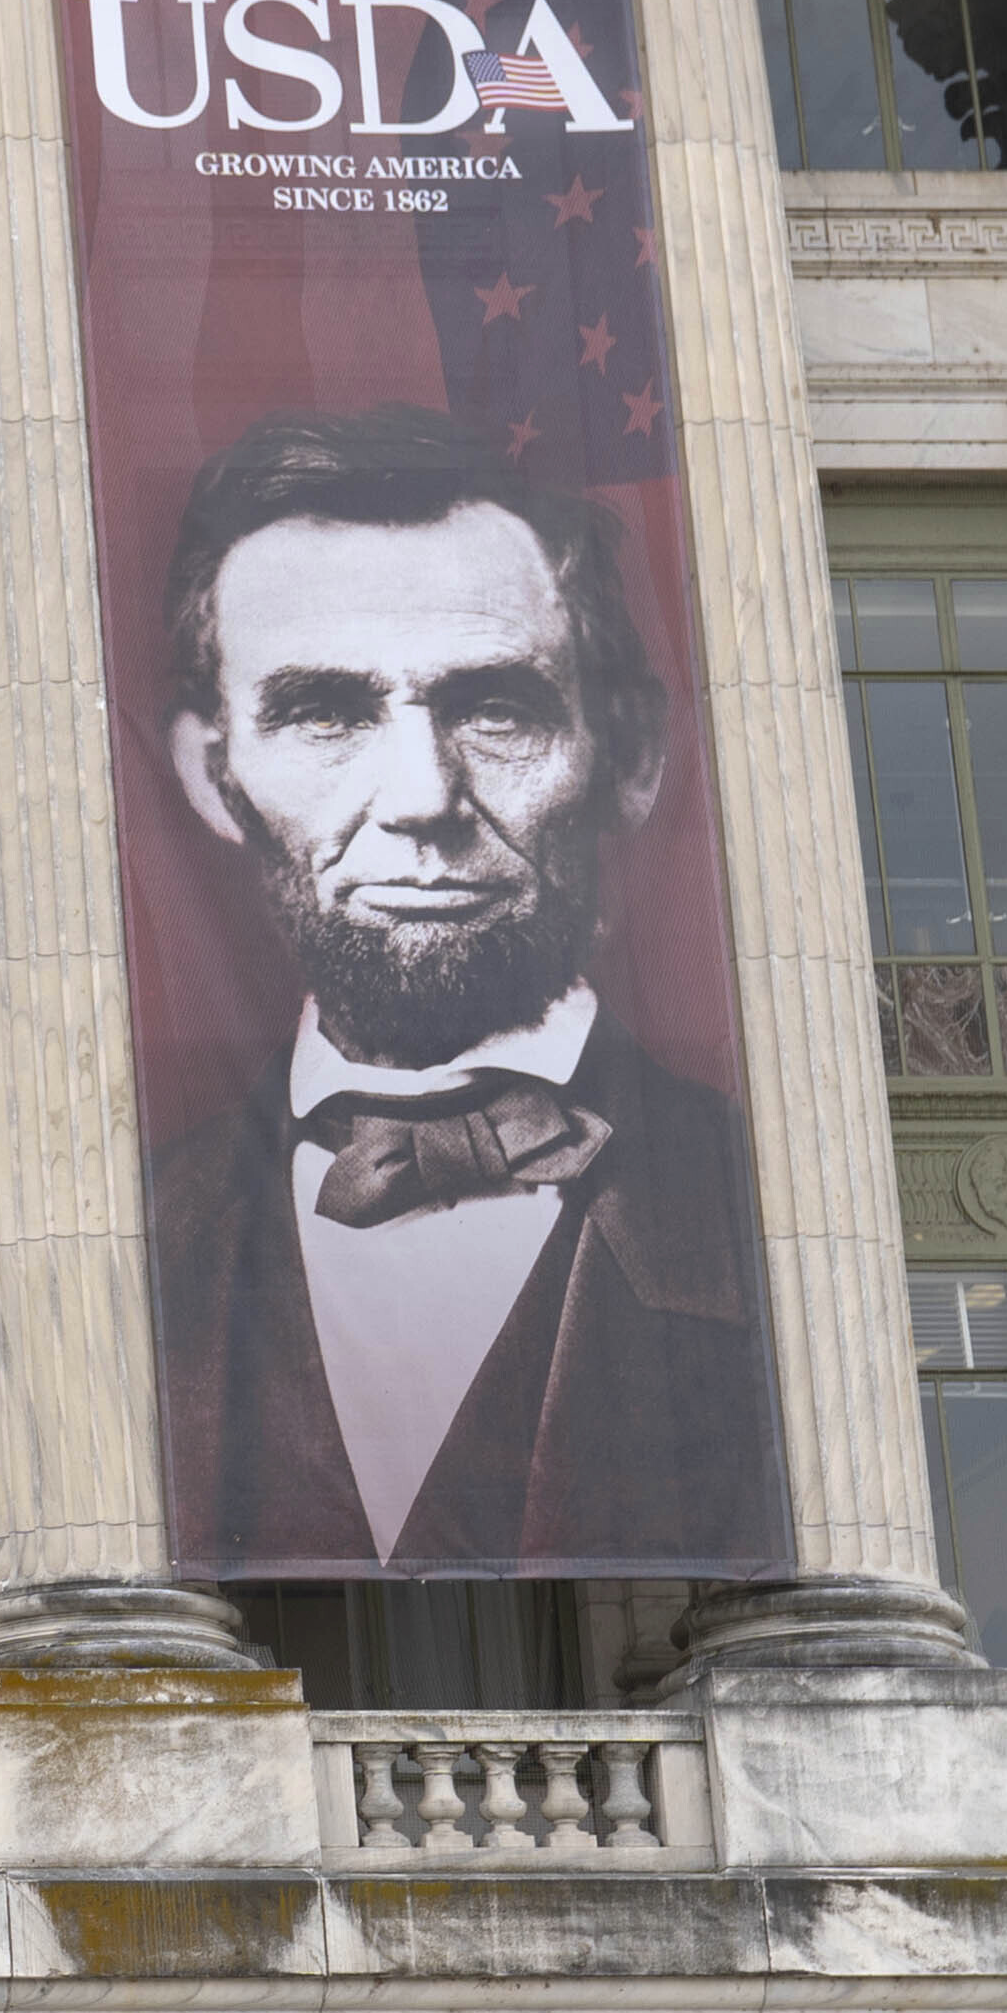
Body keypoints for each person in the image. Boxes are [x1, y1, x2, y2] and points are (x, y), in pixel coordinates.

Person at [136, 407, 789, 1577]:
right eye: (325, 712)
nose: (421, 798)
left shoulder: (774, 1213)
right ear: (211, 771)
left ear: (630, 757)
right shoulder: (128, 1240)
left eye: (495, 708)